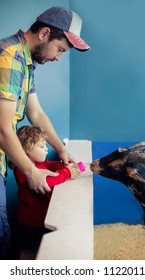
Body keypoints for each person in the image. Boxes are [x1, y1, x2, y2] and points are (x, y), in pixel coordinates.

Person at [0, 6, 90, 259]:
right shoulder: (8, 57)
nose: (59, 58)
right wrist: (31, 172)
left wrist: (61, 149)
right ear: (44, 33)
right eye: (60, 49)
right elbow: (2, 127)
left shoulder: (24, 63)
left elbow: (36, 114)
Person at [9, 125, 81, 259]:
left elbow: (50, 165)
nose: (47, 149)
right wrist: (67, 173)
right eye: (42, 147)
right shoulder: (23, 170)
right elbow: (46, 182)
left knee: (39, 250)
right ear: (27, 149)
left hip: (41, 220)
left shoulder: (39, 163)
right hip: (30, 224)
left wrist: (64, 165)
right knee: (28, 254)